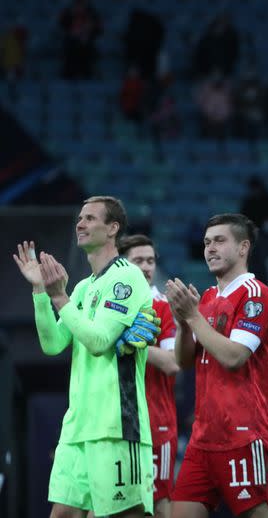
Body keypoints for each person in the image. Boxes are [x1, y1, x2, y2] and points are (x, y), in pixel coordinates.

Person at [12, 196, 160, 517]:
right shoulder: (82, 288)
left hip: (117, 426)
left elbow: (98, 341)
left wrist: (60, 297)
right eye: (80, 218)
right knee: (62, 514)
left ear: (113, 229)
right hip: (77, 428)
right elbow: (52, 344)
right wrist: (40, 292)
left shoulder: (127, 278)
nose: (80, 224)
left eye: (90, 218)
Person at [166, 213, 268, 518]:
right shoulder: (208, 297)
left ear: (243, 248)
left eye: (219, 241)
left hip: (243, 434)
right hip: (203, 437)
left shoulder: (256, 294)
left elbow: (233, 357)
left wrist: (193, 318)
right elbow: (183, 361)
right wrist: (183, 325)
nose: (210, 249)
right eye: (206, 243)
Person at [119, 234, 180, 518]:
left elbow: (172, 363)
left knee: (157, 504)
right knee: (112, 503)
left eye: (151, 261)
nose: (146, 267)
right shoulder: (110, 306)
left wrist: (134, 343)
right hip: (114, 423)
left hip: (156, 421)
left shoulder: (163, 307)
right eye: (138, 261)